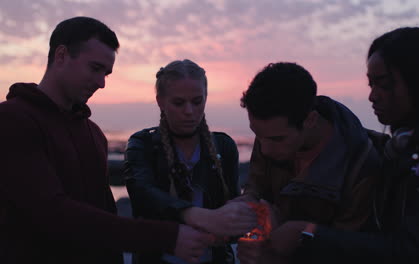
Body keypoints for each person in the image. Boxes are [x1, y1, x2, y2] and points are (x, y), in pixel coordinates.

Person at [0, 17, 214, 264]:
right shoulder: (12, 119)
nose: (102, 83)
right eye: (95, 68)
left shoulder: (94, 133)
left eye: (106, 73)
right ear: (61, 55)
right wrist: (167, 236)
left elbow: (105, 214)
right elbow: (50, 212)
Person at [269, 27, 419, 263]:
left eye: (383, 85)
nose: (373, 96)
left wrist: (308, 233)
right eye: (371, 85)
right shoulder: (401, 147)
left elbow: (413, 250)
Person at [235, 62, 382, 263]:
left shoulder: (361, 165)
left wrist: (277, 256)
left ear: (310, 120)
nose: (265, 149)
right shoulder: (268, 136)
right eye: (257, 136)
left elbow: (346, 251)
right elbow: (256, 189)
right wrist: (244, 208)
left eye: (277, 139)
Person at [124, 59, 257, 264]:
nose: (189, 111)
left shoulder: (224, 145)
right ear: (160, 101)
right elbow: (142, 194)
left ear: (206, 98)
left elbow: (229, 211)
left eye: (197, 101)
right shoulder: (142, 143)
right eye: (178, 103)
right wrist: (197, 216)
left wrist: (233, 221)